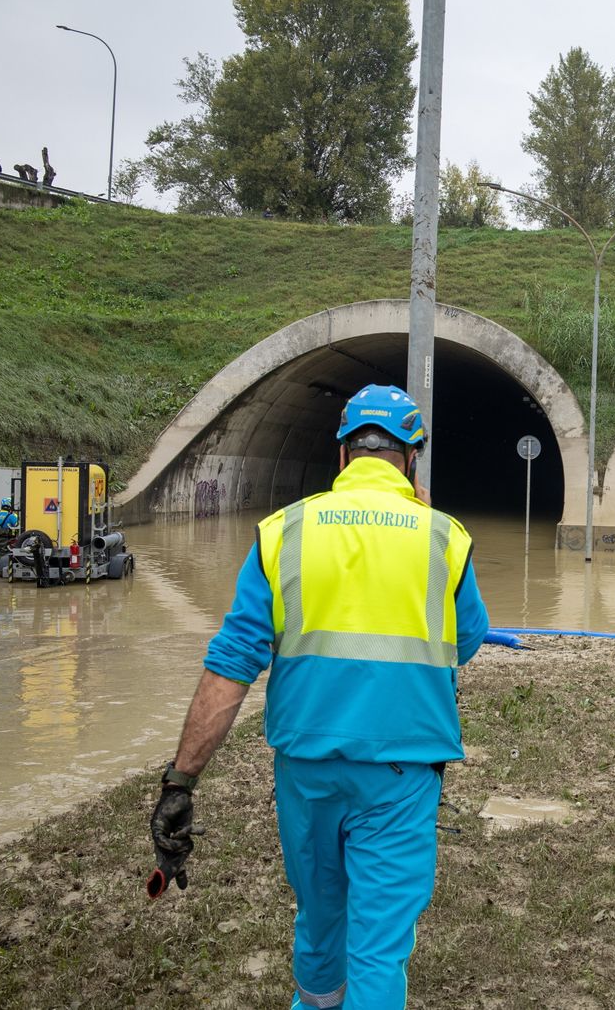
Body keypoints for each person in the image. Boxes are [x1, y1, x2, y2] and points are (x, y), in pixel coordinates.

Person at [151, 384, 488, 1010]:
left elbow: (231, 665)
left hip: (306, 769)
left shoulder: (283, 534)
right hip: (401, 771)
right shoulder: (444, 538)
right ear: (411, 459)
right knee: (379, 945)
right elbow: (465, 641)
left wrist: (181, 782)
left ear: (342, 454)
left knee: (319, 915)